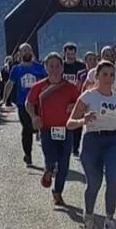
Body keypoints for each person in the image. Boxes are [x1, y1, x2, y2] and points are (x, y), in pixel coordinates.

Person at [67, 61, 116, 229]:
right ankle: (88, 216)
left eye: (111, 75)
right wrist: (83, 120)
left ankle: (109, 219)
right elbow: (69, 123)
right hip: (92, 141)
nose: (108, 78)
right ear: (96, 76)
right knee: (94, 182)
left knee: (113, 178)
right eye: (104, 74)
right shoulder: (88, 97)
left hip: (114, 141)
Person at [24, 52, 81, 206]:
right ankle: (48, 170)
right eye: (51, 66)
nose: (54, 69)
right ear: (46, 68)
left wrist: (74, 108)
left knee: (64, 163)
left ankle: (58, 192)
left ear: (62, 68)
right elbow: (28, 103)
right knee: (51, 157)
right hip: (47, 129)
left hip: (66, 129)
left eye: (57, 66)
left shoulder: (70, 87)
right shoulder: (39, 86)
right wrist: (34, 117)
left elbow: (80, 105)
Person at [4, 43, 46, 166]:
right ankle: (28, 155)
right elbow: (10, 84)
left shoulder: (39, 68)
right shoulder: (16, 69)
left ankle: (48, 159)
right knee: (27, 129)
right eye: (23, 51)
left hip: (38, 103)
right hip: (22, 103)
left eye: (28, 50)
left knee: (43, 129)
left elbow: (47, 83)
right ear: (19, 54)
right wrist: (4, 99)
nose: (26, 52)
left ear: (32, 52)